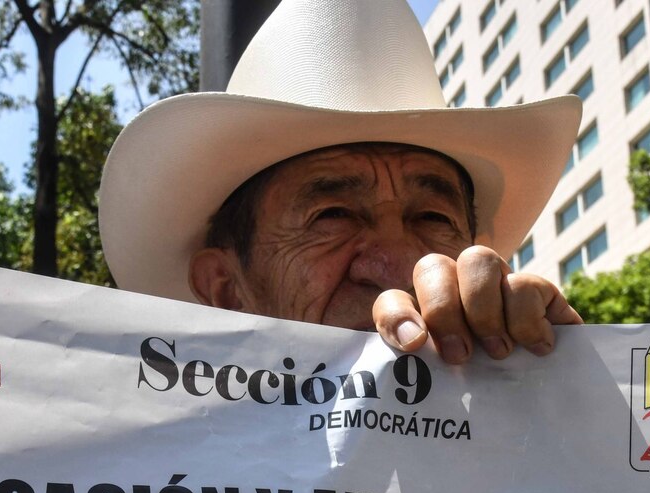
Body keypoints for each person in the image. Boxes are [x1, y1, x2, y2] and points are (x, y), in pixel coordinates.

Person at [99, 0, 584, 364]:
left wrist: (569, 390)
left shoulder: (534, 429)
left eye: (433, 218)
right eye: (332, 215)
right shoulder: (157, 465)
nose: (399, 267)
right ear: (226, 290)